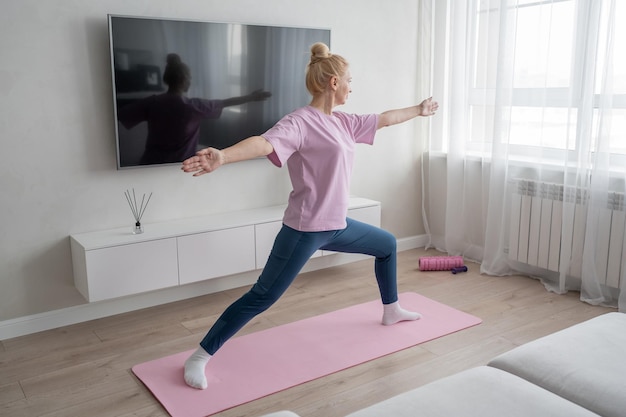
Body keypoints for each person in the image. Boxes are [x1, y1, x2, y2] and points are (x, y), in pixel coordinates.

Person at [180, 42, 439, 390]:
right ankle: (199, 356)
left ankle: (391, 310)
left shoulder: (345, 122)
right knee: (263, 296)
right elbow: (264, 143)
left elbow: (385, 119)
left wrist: (419, 110)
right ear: (334, 83)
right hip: (304, 229)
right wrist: (223, 157)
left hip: (337, 225)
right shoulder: (300, 122)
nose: (352, 86)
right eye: (349, 80)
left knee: (388, 244)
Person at [118, 53, 271, 165]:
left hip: (149, 164)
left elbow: (121, 114)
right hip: (185, 165)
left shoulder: (152, 102)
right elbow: (225, 102)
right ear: (185, 80)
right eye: (190, 78)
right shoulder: (193, 106)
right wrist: (251, 97)